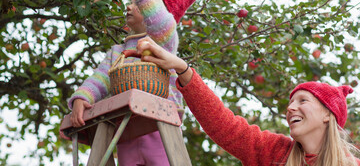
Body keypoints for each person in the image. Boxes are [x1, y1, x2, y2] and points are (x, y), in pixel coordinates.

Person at [136, 37, 360, 166]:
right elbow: (224, 126)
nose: (291, 108)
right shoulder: (275, 152)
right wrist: (182, 69)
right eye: (291, 102)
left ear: (327, 114)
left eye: (303, 100)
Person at [68, 0, 196, 166]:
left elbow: (163, 26)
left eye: (137, 4)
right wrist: (82, 97)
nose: (129, 6)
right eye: (131, 2)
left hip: (159, 128)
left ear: (155, 11)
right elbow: (100, 78)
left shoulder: (163, 44)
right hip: (125, 130)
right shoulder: (117, 52)